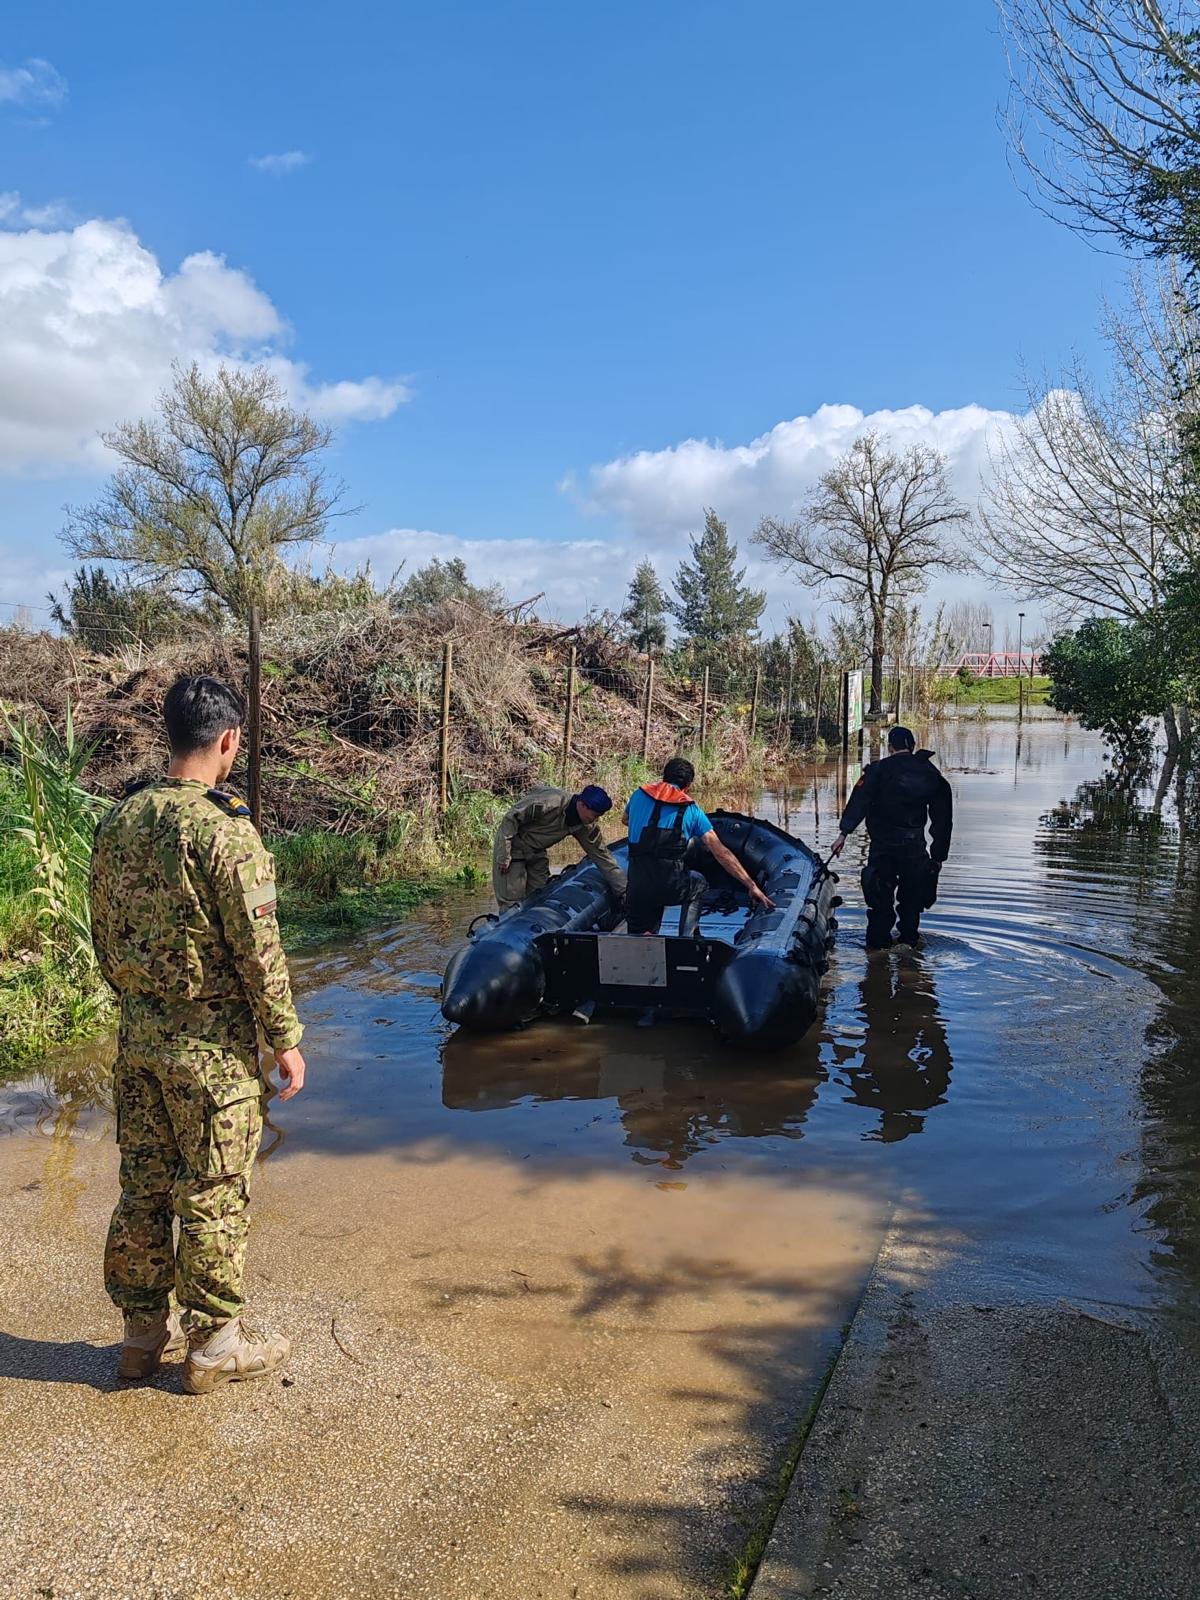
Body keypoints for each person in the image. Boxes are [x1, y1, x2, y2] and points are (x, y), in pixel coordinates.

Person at [90, 674, 306, 1394]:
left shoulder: (118, 822)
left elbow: (102, 937)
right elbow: (259, 947)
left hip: (139, 1041)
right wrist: (285, 1038)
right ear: (228, 741)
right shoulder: (225, 831)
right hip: (211, 1051)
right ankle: (214, 1345)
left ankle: (139, 1337)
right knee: (212, 1189)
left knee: (145, 1186)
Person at [831, 725, 953, 950]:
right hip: (914, 849)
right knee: (911, 904)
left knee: (879, 905)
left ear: (890, 747)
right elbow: (943, 818)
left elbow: (859, 801)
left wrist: (843, 834)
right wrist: (938, 856)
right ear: (913, 746)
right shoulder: (929, 773)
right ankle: (909, 949)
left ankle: (877, 956)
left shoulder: (878, 770)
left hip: (883, 850)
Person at [624, 757, 775, 936]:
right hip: (670, 886)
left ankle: (645, 940)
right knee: (699, 883)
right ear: (688, 786)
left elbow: (626, 819)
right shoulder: (691, 810)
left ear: (663, 777)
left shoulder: (638, 794)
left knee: (639, 928)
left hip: (637, 885)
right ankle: (687, 938)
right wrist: (751, 885)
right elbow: (721, 853)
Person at [492, 782, 626, 914]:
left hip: (537, 852)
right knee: (511, 901)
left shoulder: (585, 826)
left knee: (539, 896)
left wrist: (624, 891)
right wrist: (504, 855)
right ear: (583, 805)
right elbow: (510, 819)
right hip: (513, 848)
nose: (595, 820)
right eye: (595, 815)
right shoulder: (550, 803)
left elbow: (603, 857)